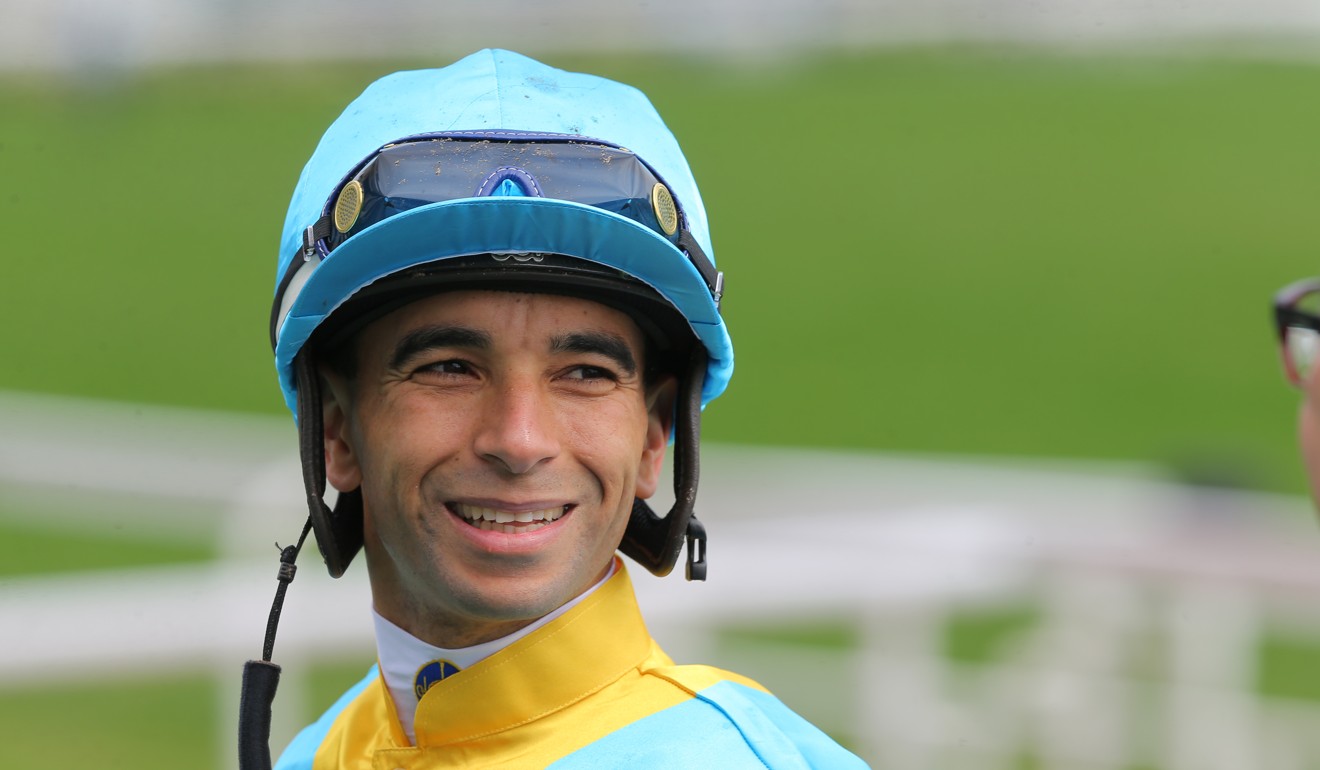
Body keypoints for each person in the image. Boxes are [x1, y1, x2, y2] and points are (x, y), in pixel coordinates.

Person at [243, 49, 868, 769]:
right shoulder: (314, 755)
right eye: (450, 368)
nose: (519, 439)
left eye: (583, 373)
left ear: (654, 437)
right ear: (335, 432)